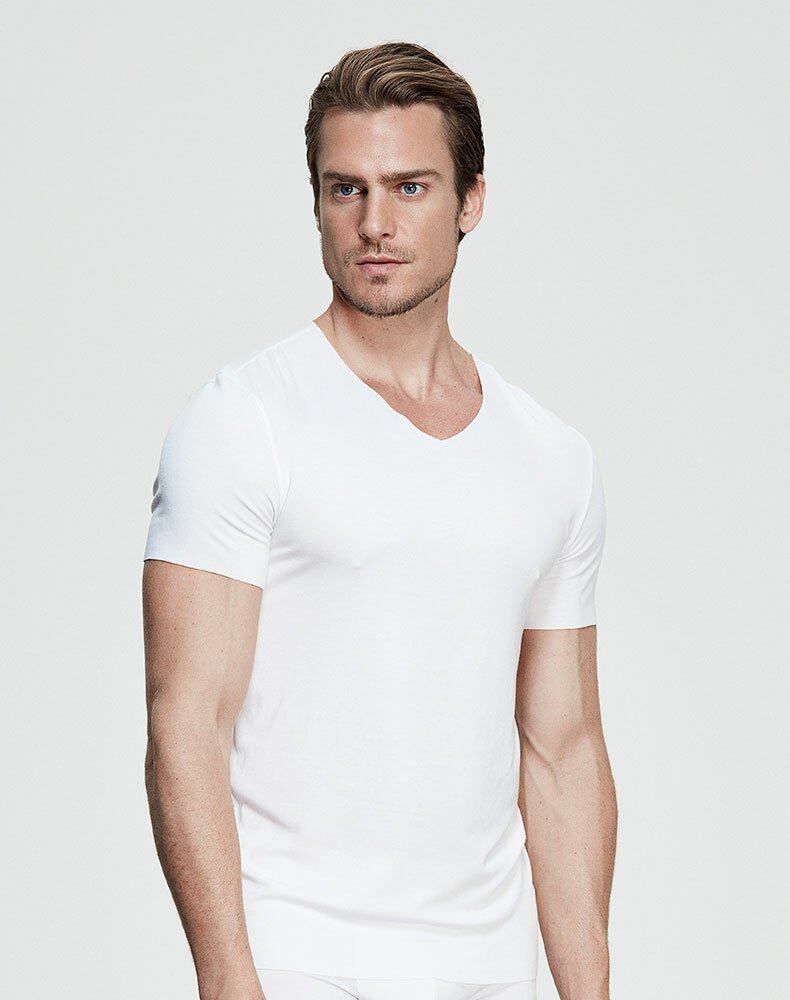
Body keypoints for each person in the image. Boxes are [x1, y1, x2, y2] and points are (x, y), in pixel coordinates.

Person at [142, 41, 618, 1000]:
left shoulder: (552, 458)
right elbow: (186, 722)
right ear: (317, 202)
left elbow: (561, 749)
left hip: (490, 970)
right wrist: (230, 982)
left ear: (470, 201)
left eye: (409, 187)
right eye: (345, 190)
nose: (374, 224)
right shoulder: (244, 421)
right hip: (298, 960)